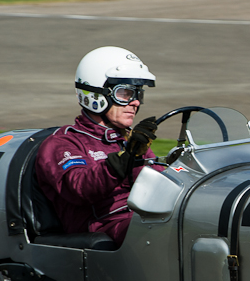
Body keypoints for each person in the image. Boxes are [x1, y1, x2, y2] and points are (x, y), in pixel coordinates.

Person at [35, 46, 164, 246]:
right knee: (166, 232)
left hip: (142, 218)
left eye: (138, 94)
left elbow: (160, 184)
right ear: (96, 94)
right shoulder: (62, 143)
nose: (136, 102)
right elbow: (80, 188)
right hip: (103, 227)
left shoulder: (129, 140)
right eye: (125, 93)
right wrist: (122, 161)